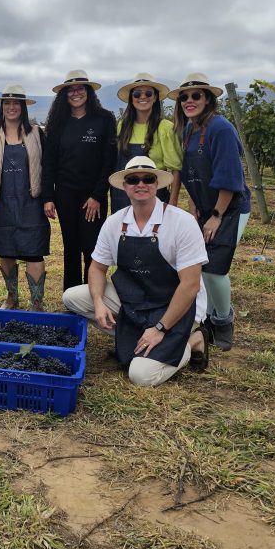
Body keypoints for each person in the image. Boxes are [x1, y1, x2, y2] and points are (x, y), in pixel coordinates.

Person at [62, 157, 210, 386]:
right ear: (124, 186)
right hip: (135, 301)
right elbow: (97, 268)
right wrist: (99, 302)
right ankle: (140, 336)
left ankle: (191, 340)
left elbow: (190, 286)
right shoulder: (114, 223)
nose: (141, 184)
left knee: (140, 375)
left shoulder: (182, 222)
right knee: (72, 297)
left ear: (157, 184)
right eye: (133, 180)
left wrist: (161, 327)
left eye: (148, 179)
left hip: (176, 307)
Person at [168, 73, 251, 351]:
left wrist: (216, 215)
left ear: (208, 99)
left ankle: (224, 320)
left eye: (196, 96)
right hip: (204, 208)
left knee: (215, 268)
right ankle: (211, 320)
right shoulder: (188, 130)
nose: (189, 101)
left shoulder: (221, 129)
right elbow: (192, 174)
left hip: (229, 208)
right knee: (201, 267)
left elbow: (230, 176)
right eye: (184, 97)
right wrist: (193, 207)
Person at [42, 71, 118, 291]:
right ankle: (72, 297)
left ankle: (92, 296)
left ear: (89, 92)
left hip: (93, 196)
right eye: (71, 90)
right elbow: (49, 163)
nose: (76, 93)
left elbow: (108, 161)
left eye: (80, 89)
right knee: (71, 247)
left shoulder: (104, 119)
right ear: (64, 95)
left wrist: (97, 195)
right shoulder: (57, 123)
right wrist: (48, 196)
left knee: (92, 247)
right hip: (65, 194)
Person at [0, 85, 50, 310]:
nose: (11, 107)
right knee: (6, 250)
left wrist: (49, 197)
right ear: (1, 107)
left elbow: (48, 169)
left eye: (16, 103)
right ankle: (12, 298)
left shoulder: (37, 133)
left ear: (23, 107)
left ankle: (36, 302)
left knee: (34, 253)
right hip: (2, 201)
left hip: (31, 202)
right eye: (7, 103)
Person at [113, 73, 182, 211]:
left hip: (155, 195)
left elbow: (176, 169)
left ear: (155, 97)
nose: (142, 97)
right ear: (131, 98)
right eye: (137, 94)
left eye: (148, 93)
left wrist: (172, 203)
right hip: (123, 196)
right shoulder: (123, 125)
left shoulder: (165, 128)